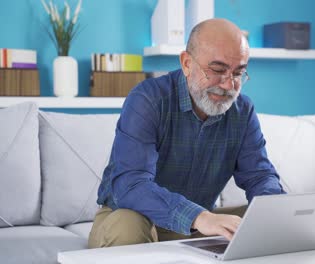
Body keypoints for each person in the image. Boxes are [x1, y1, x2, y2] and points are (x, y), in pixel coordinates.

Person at [88, 18, 285, 248]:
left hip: (195, 227)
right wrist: (199, 217)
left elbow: (260, 176)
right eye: (217, 69)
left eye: (238, 73)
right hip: (131, 219)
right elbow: (131, 185)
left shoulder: (243, 110)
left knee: (262, 220)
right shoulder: (147, 99)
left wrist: (277, 213)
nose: (228, 85)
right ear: (186, 63)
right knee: (128, 223)